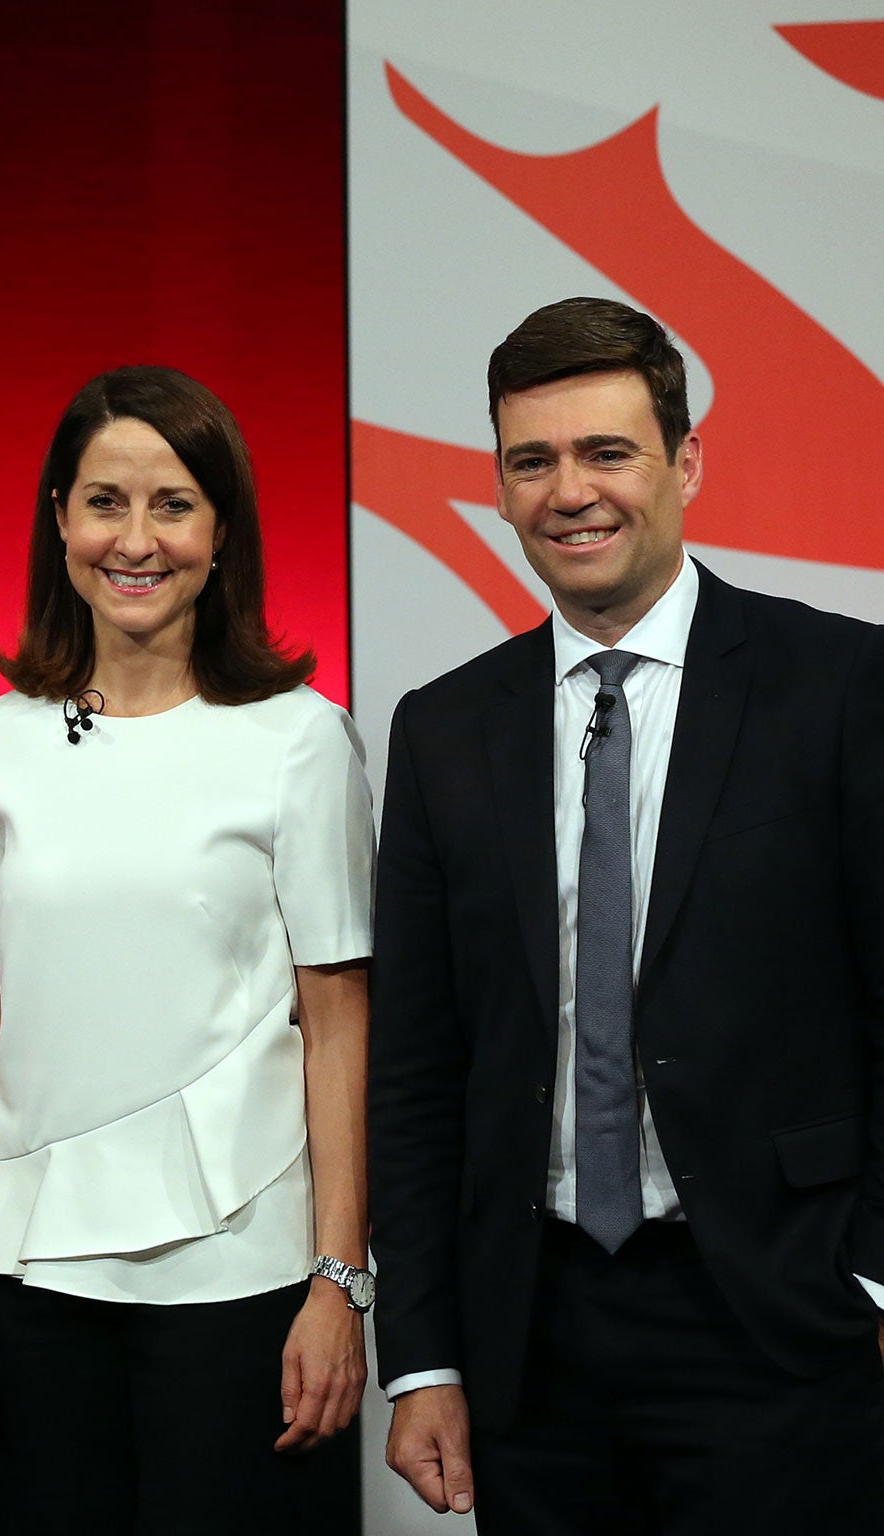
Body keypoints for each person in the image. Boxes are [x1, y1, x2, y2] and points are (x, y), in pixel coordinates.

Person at [369, 296, 884, 1532]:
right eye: (530, 460)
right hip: (529, 1339)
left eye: (606, 452)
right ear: (496, 486)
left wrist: (870, 1278)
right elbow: (417, 1069)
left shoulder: (840, 688)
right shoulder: (442, 730)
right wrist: (424, 1354)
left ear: (685, 462)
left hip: (782, 1321)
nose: (569, 492)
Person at [0, 366, 375, 1531]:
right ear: (58, 519)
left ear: (222, 534)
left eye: (172, 505)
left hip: (243, 1275)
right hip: (27, 1274)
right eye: (103, 502)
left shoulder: (297, 740)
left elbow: (338, 1025)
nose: (135, 538)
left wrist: (340, 1278)